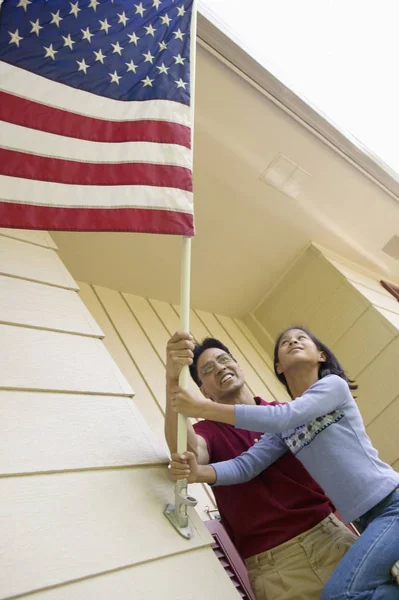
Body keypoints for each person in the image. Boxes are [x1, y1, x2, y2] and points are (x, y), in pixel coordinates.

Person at [170, 327, 399, 600]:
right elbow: (247, 465)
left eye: (301, 338)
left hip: (382, 511)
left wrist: (198, 408)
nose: (293, 342)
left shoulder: (326, 390)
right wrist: (200, 472)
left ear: (322, 355)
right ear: (278, 366)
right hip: (349, 530)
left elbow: (284, 415)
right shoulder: (284, 426)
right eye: (207, 369)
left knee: (341, 594)